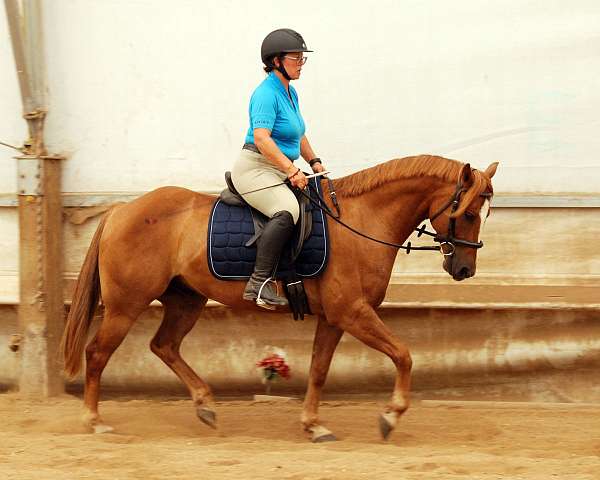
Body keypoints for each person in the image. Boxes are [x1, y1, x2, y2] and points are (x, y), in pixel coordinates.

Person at [231, 28, 326, 308]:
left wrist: (314, 161)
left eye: (301, 57)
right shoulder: (265, 94)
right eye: (295, 57)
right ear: (276, 61)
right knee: (287, 211)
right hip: (255, 168)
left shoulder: (290, 92)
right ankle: (259, 283)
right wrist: (291, 170)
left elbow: (298, 132)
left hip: (276, 167)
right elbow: (262, 138)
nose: (300, 62)